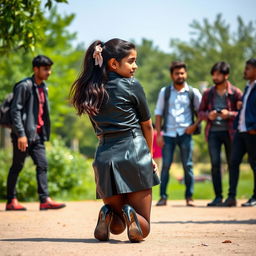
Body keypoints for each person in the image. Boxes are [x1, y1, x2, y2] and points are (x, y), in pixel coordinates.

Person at [70, 38, 160, 243]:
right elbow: (147, 125)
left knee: (118, 225)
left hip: (104, 158)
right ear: (113, 63)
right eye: (131, 61)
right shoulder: (132, 85)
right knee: (142, 225)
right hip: (134, 152)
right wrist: (149, 155)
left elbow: (97, 130)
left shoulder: (90, 90)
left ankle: (108, 213)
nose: (135, 66)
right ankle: (130, 214)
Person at [6, 55, 66, 211]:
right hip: (23, 135)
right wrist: (20, 134)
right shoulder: (23, 86)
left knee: (42, 165)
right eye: (46, 69)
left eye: (50, 69)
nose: (49, 72)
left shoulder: (43, 87)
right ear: (35, 69)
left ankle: (44, 199)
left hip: (38, 135)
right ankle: (11, 200)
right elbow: (15, 110)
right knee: (17, 166)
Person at [154, 61, 202, 207]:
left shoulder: (193, 93)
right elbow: (158, 113)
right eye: (177, 73)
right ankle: (163, 197)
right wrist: (159, 134)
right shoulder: (165, 92)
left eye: (182, 73)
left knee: (188, 166)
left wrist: (194, 126)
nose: (180, 76)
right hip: (168, 134)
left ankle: (189, 197)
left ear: (186, 74)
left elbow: (202, 112)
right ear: (172, 75)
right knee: (166, 166)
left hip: (185, 134)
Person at [198, 62, 242, 206]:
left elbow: (244, 113)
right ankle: (218, 197)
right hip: (213, 133)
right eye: (213, 74)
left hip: (231, 133)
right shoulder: (208, 93)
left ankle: (232, 197)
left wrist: (228, 114)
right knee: (215, 164)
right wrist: (208, 115)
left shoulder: (236, 93)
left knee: (232, 164)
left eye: (218, 74)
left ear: (226, 75)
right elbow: (200, 112)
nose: (215, 77)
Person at [222, 58, 256, 207]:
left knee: (254, 164)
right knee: (233, 162)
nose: (245, 71)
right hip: (241, 131)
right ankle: (231, 196)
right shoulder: (248, 87)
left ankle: (255, 196)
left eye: (248, 68)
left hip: (252, 131)